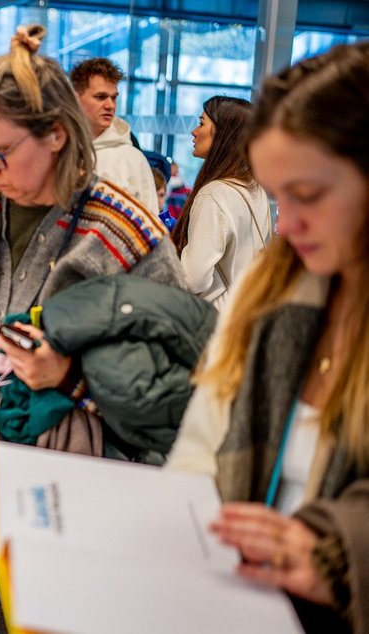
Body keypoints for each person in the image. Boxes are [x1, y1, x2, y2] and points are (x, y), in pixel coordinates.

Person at [0, 26, 183, 632]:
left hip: (74, 478)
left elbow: (172, 378)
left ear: (56, 134)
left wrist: (72, 377)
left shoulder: (124, 232)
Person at [165, 42, 369, 632]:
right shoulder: (267, 300)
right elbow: (199, 453)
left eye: (309, 195)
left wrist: (335, 558)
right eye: (280, 196)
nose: (289, 224)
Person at [170, 96, 272, 308]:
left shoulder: (214, 194)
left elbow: (192, 280)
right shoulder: (255, 188)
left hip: (213, 321)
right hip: (244, 313)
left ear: (223, 133)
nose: (194, 131)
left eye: (201, 123)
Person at [69, 58, 160, 214]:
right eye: (100, 97)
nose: (110, 105)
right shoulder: (56, 151)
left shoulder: (133, 160)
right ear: (76, 98)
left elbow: (151, 229)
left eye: (113, 97)